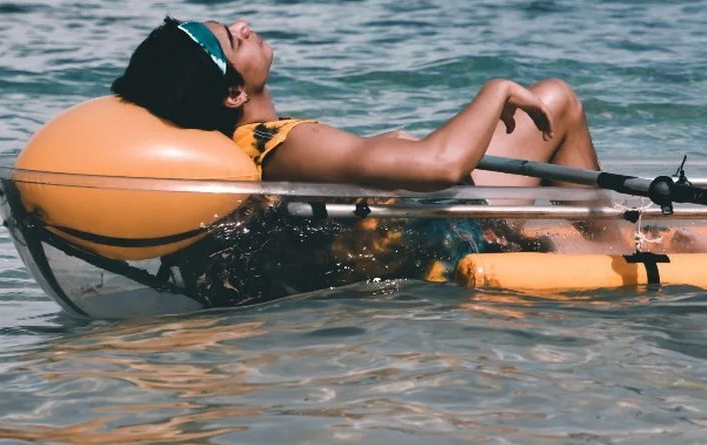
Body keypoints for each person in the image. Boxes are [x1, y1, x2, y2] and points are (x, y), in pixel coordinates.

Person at [110, 17, 620, 304]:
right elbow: (438, 167)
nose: (244, 26)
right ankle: (619, 247)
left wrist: (376, 151)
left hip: (420, 240)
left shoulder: (241, 149)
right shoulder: (286, 142)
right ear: (233, 95)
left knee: (553, 101)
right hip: (456, 240)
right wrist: (496, 91)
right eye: (233, 38)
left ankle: (606, 236)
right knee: (556, 99)